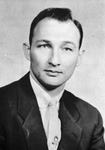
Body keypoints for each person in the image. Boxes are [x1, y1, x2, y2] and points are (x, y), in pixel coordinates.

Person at [0, 7, 104, 150]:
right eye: (44, 46)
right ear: (28, 51)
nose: (54, 60)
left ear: (79, 57)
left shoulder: (91, 118)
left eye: (67, 49)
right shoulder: (2, 105)